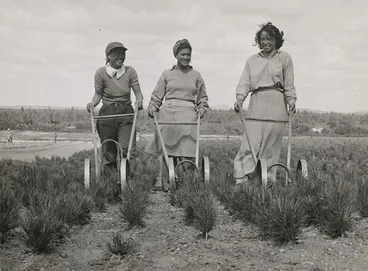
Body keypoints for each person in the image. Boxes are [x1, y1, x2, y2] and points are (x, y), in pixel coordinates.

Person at [233, 22, 297, 186]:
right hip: (257, 102)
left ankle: (267, 181)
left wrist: (291, 101)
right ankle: (242, 178)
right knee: (250, 143)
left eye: (269, 38)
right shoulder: (252, 60)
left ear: (276, 40)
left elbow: (289, 84)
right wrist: (240, 98)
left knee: (271, 146)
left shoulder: (285, 58)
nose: (265, 42)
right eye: (262, 39)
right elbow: (244, 82)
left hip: (277, 104)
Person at [145, 39, 209, 191]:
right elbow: (156, 96)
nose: (186, 57)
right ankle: (166, 183)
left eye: (188, 54)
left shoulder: (196, 75)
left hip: (188, 114)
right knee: (169, 152)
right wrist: (153, 107)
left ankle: (187, 183)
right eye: (182, 54)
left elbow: (203, 99)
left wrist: (201, 109)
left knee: (187, 152)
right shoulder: (167, 74)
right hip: (168, 113)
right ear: (176, 55)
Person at [87, 42, 144, 173]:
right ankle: (110, 183)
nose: (121, 57)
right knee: (109, 150)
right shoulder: (101, 73)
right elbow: (98, 94)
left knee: (126, 148)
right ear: (108, 56)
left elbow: (138, 93)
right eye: (117, 54)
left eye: (123, 54)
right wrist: (92, 104)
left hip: (126, 113)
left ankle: (128, 183)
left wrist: (139, 101)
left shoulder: (130, 72)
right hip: (107, 113)